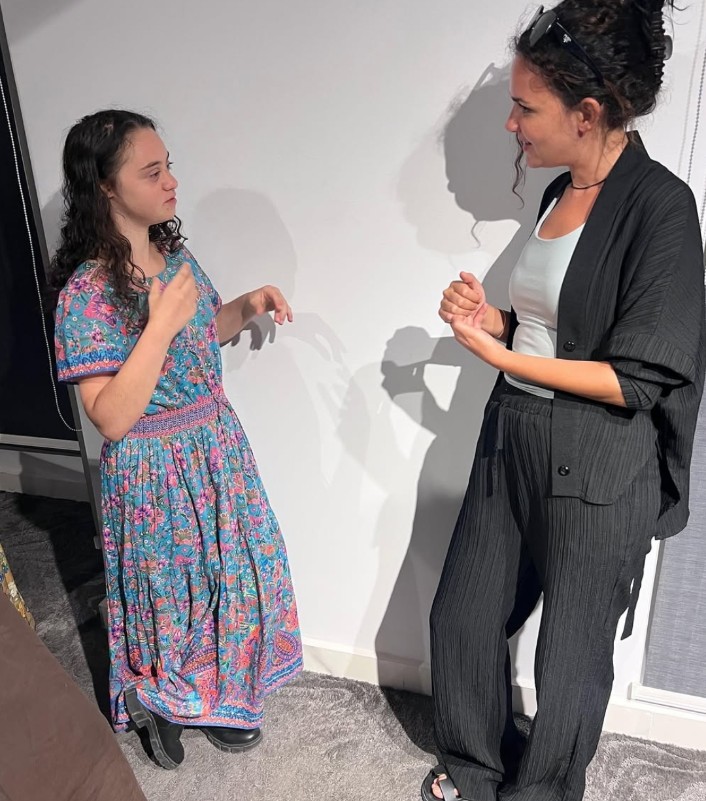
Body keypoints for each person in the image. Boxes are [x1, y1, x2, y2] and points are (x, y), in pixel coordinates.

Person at [423, 2, 705, 800]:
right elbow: (561, 328)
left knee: (569, 658)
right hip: (511, 433)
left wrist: (502, 354)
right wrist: (494, 320)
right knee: (464, 616)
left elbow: (636, 378)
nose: (511, 124)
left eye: (525, 108)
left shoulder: (662, 207)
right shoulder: (557, 194)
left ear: (586, 114)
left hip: (601, 457)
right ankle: (475, 767)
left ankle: (542, 792)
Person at [49, 109, 303, 769]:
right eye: (152, 171)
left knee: (235, 572)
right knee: (170, 590)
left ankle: (218, 696)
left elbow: (200, 332)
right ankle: (158, 696)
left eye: (169, 167)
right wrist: (157, 325)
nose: (171, 182)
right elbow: (109, 416)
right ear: (106, 186)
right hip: (151, 465)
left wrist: (247, 304)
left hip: (214, 445)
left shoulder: (177, 258)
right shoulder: (85, 295)